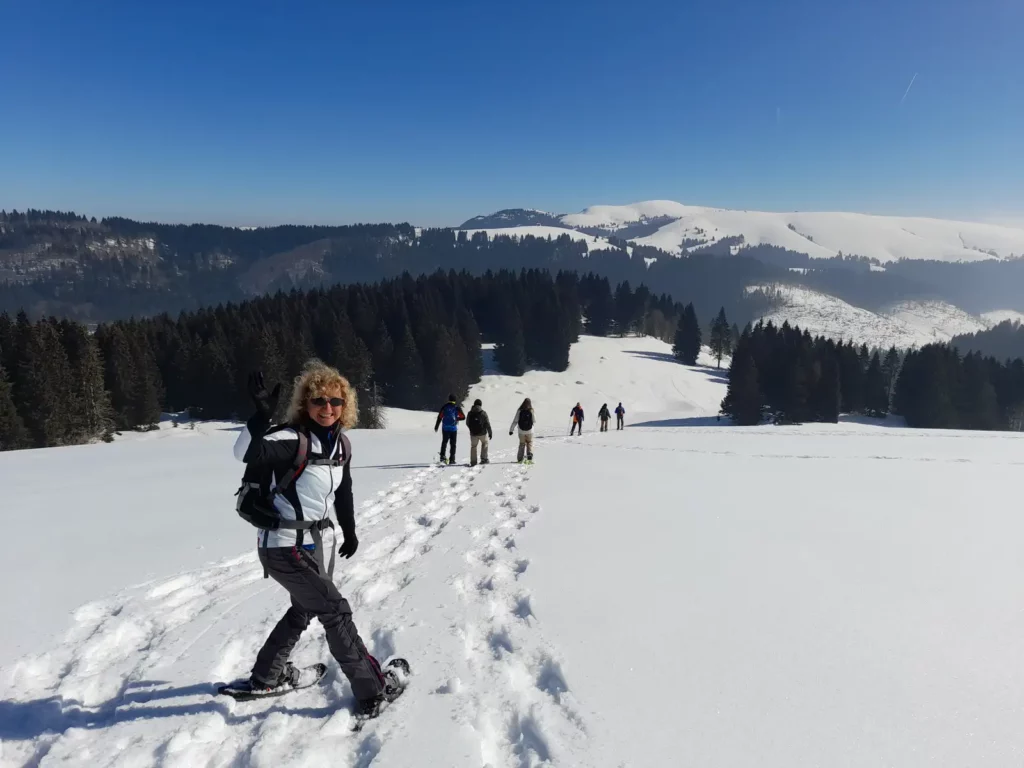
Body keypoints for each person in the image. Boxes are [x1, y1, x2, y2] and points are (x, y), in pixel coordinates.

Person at [232, 362, 393, 716]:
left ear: (345, 405)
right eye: (319, 400)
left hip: (315, 543)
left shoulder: (341, 445)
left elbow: (344, 491)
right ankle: (372, 689)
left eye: (335, 401)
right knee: (335, 611)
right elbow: (245, 453)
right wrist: (260, 417)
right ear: (305, 404)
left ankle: (266, 676)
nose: (327, 408)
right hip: (282, 544)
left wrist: (350, 530)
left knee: (305, 608)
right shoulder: (292, 439)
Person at [434, 394, 465, 464]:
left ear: (449, 399)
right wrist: (457, 418)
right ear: (455, 400)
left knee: (444, 442)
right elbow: (463, 417)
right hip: (453, 429)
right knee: (453, 444)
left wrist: (436, 426)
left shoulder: (445, 407)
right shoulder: (457, 407)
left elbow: (440, 417)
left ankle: (442, 457)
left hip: (445, 428)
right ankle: (452, 459)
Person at [466, 398, 493, 466]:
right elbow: (487, 424)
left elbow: (467, 423)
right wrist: (490, 432)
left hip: (473, 434)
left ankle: (473, 462)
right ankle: (484, 459)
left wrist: (471, 429)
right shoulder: (483, 413)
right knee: (485, 443)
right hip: (482, 433)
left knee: (473, 446)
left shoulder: (470, 413)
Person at [509, 398, 535, 463]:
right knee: (529, 442)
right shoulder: (531, 410)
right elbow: (534, 420)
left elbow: (515, 421)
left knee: (522, 444)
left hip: (521, 431)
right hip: (530, 431)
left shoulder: (520, 410)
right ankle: (529, 454)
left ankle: (520, 458)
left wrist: (511, 430)